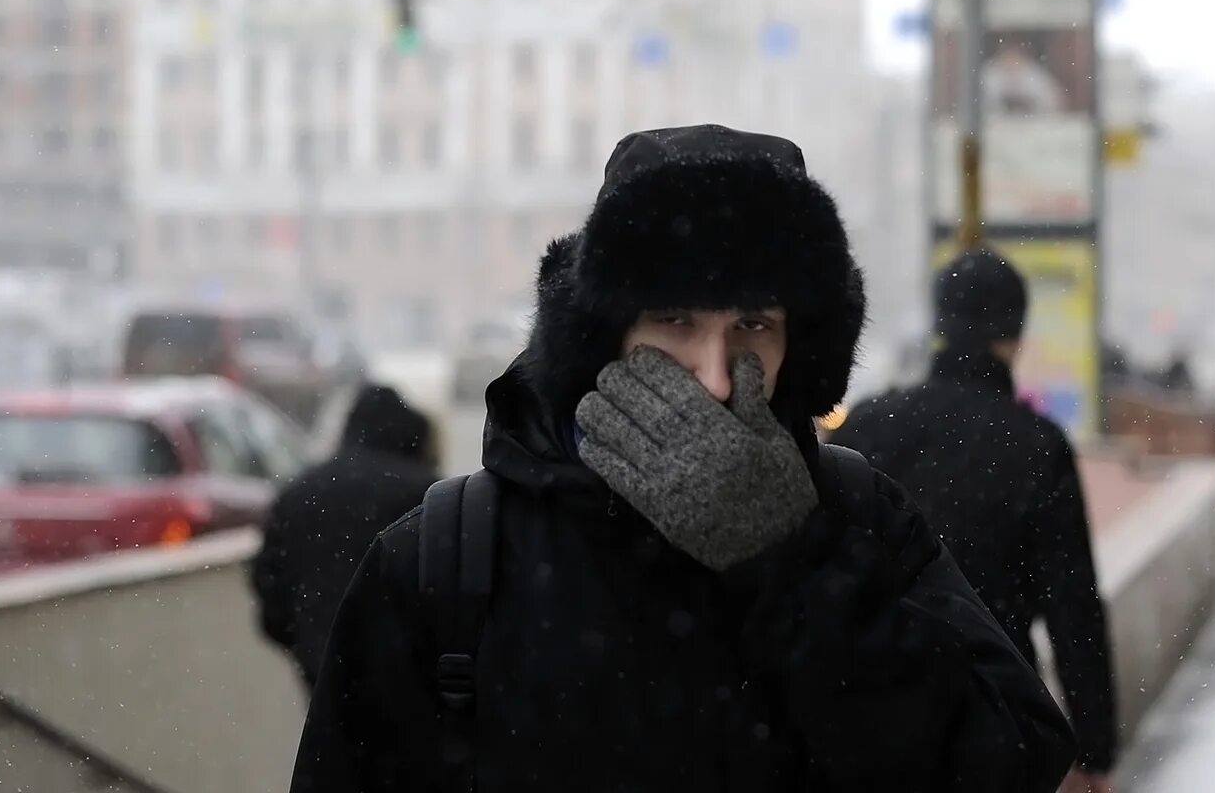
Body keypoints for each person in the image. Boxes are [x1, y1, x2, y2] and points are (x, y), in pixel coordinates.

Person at [290, 125, 1077, 791]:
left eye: (754, 327)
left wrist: (788, 561)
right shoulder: (451, 553)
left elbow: (1012, 759)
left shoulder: (858, 517)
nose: (711, 370)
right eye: (674, 320)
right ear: (604, 335)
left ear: (799, 347)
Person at [838, 248, 1119, 793]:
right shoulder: (1037, 445)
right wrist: (1095, 749)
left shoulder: (867, 428)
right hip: (996, 715)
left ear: (939, 324)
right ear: (1015, 336)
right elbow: (1073, 608)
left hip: (872, 712)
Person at [250, 383, 440, 691]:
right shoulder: (426, 494)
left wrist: (308, 643)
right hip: (411, 681)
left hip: (324, 672)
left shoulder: (301, 493)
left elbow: (271, 588)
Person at [985, 40, 1067, 116]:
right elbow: (981, 104)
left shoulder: (1035, 75)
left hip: (1034, 128)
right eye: (1009, 52)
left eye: (1015, 53)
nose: (1012, 57)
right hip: (996, 128)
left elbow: (1056, 103)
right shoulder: (989, 75)